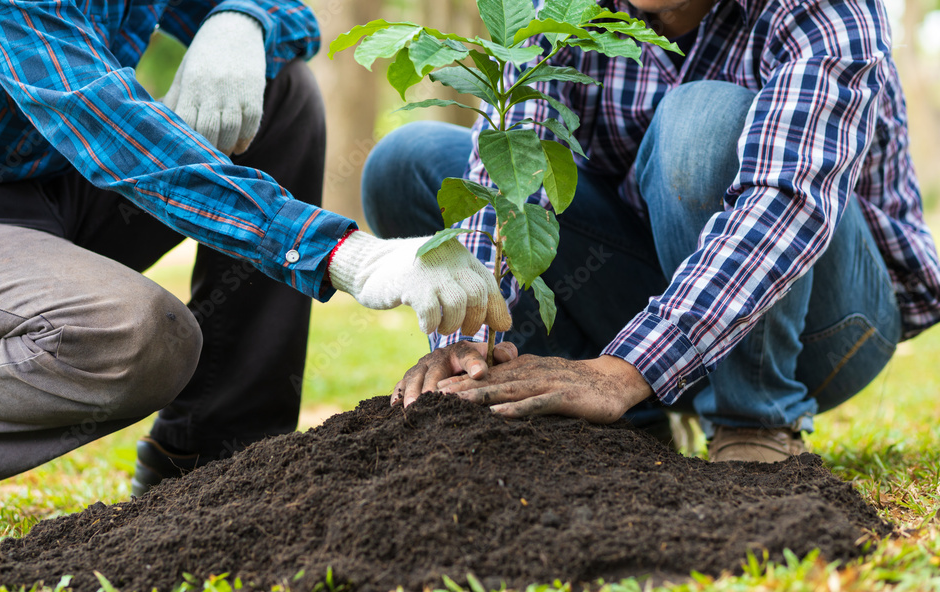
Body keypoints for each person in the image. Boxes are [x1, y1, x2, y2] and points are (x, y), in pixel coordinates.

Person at [0, 0, 512, 536]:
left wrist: (243, 18)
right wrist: (345, 254)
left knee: (278, 92)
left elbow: (293, 16)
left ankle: (213, 461)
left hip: (55, 183)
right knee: (133, 334)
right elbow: (105, 124)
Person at [363, 0, 940, 462]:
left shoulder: (820, 9)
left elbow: (784, 203)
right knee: (407, 163)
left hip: (825, 324)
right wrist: (465, 342)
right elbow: (515, 182)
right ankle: (612, 421)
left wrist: (626, 371)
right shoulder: (556, 11)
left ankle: (753, 417)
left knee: (701, 121)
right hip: (647, 291)